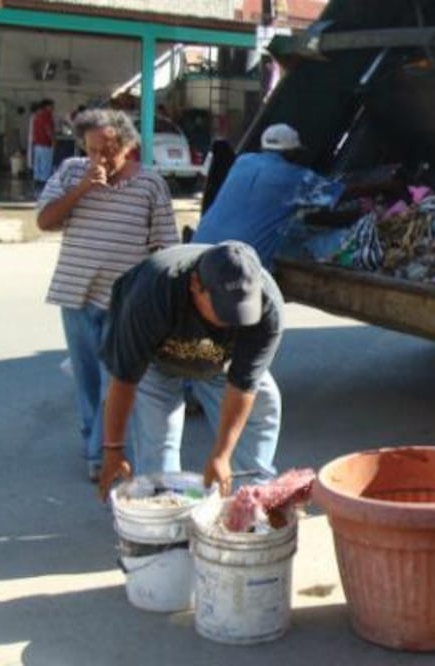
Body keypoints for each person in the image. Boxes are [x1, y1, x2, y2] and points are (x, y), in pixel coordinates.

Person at [37, 108, 180, 482]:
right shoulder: (71, 172)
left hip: (126, 300)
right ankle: (94, 444)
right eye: (92, 149)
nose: (99, 158)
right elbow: (45, 221)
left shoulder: (150, 184)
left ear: (129, 145)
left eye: (109, 149)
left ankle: (101, 456)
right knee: (86, 379)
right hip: (75, 293)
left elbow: (166, 244)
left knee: (114, 378)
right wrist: (84, 186)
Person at [96, 241, 286, 501]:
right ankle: (162, 518)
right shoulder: (151, 294)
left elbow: (244, 384)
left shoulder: (269, 307)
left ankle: (247, 502)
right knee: (158, 439)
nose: (232, 320)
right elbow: (124, 380)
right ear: (195, 284)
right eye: (224, 309)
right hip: (155, 359)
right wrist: (113, 450)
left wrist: (222, 454)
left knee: (264, 403)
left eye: (242, 310)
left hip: (220, 360)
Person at [192, 123, 345, 266]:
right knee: (336, 238)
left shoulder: (242, 162)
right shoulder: (294, 177)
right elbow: (340, 194)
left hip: (198, 250)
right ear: (292, 152)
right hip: (238, 266)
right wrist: (368, 192)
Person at [31, 99, 56, 193]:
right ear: (47, 106)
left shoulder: (37, 115)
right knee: (46, 165)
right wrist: (53, 140)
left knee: (38, 164)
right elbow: (48, 129)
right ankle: (44, 184)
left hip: (37, 144)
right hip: (45, 144)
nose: (53, 108)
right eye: (52, 106)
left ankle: (37, 183)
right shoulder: (47, 115)